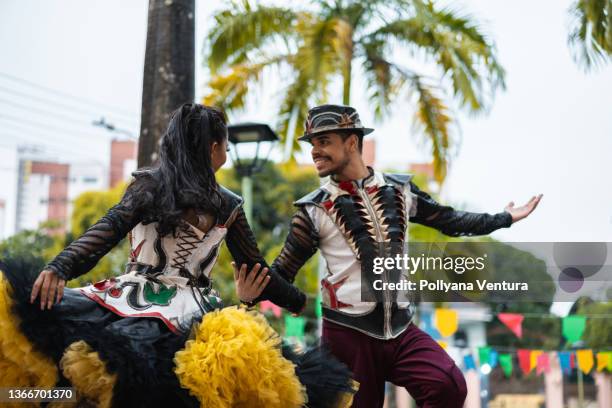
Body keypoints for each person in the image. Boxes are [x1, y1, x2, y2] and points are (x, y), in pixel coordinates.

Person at [0, 103, 354, 408]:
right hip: (196, 319)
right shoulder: (224, 203)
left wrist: (61, 266)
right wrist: (296, 300)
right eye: (226, 145)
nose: (228, 154)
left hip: (129, 301)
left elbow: (107, 231)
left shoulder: (154, 186)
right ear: (214, 147)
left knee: (99, 382)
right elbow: (258, 269)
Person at [267, 104, 543, 408]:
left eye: (324, 142)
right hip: (348, 337)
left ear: (351, 143)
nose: (315, 152)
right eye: (313, 145)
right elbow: (282, 272)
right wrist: (267, 292)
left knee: (447, 384)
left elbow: (449, 220)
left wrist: (503, 218)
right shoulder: (313, 210)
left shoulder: (400, 190)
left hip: (400, 329)